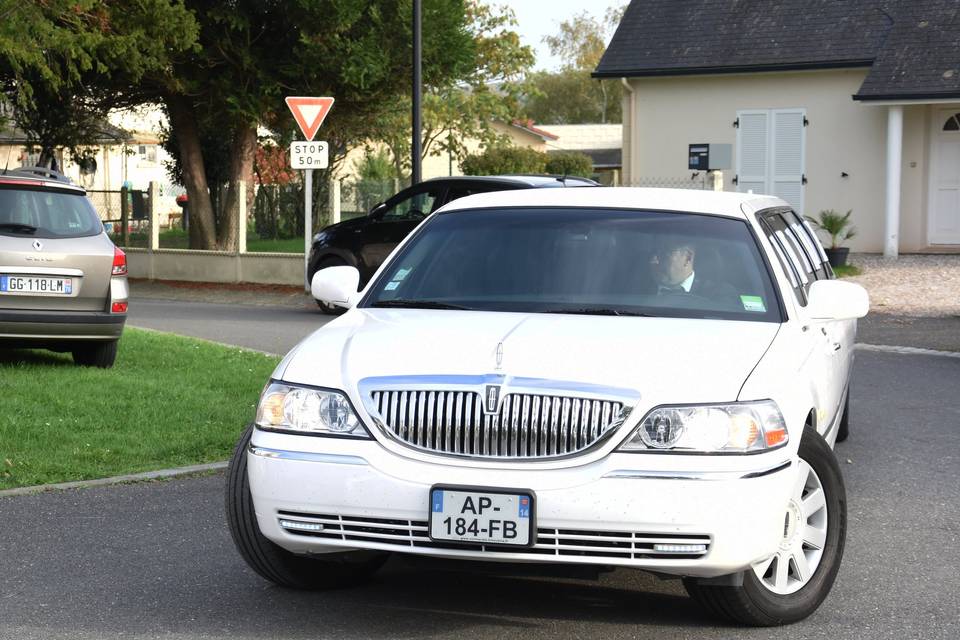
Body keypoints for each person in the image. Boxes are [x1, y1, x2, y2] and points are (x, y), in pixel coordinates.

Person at [649, 237, 738, 305]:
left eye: (664, 253)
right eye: (653, 253)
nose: (653, 260)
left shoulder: (719, 295)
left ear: (687, 258)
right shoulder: (637, 288)